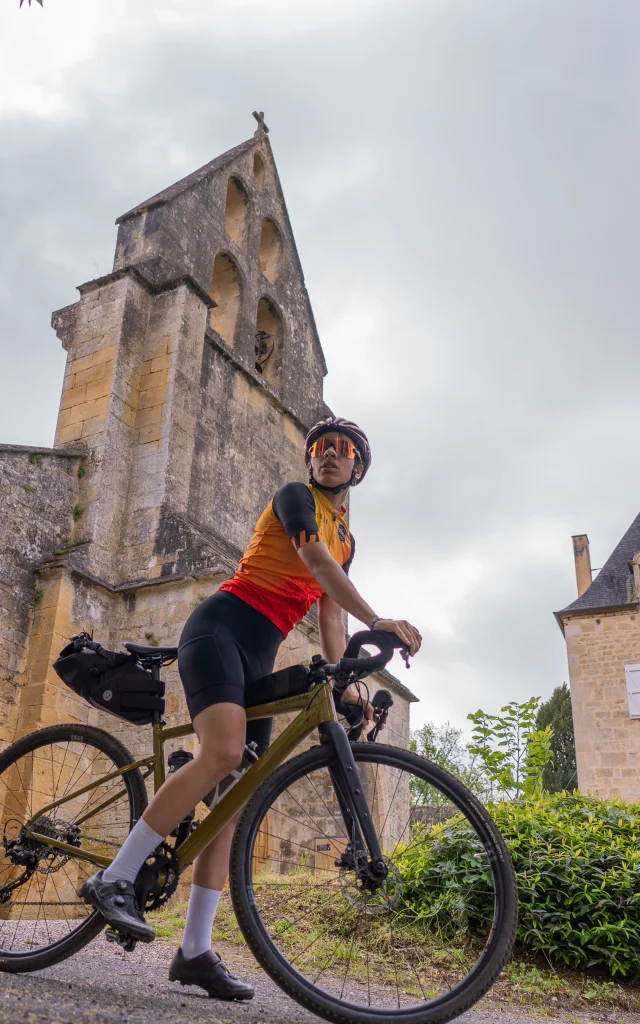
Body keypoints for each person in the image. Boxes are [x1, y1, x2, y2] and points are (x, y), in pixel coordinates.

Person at [80, 416, 422, 1001]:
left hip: (259, 652)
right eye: (321, 448)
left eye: (342, 451)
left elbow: (328, 612)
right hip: (220, 628)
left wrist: (346, 683)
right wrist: (380, 619)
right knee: (224, 752)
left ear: (358, 469)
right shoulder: (296, 498)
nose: (329, 456)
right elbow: (317, 567)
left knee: (234, 799)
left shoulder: (348, 539)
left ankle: (193, 951)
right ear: (312, 461)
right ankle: (113, 878)